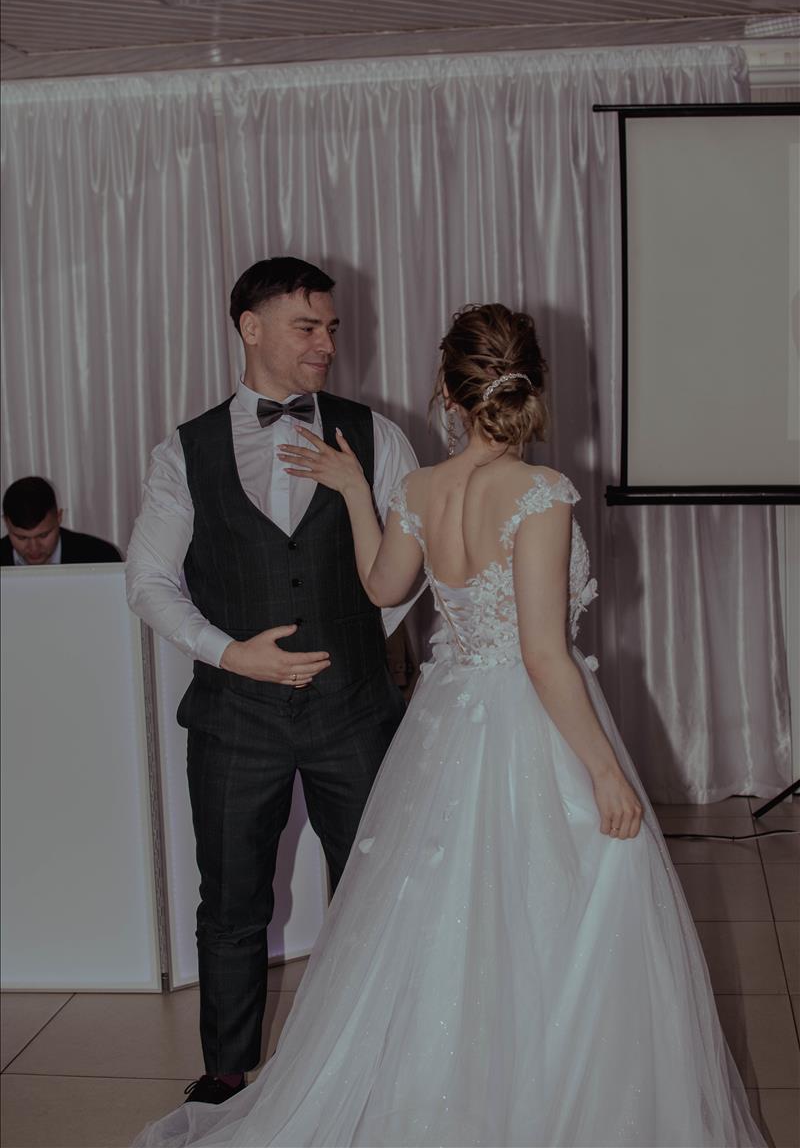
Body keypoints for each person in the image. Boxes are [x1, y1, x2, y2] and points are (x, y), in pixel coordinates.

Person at [134, 302, 764, 1148]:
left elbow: (382, 589)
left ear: (449, 390)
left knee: (442, 921)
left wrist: (356, 493)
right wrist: (608, 771)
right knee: (558, 916)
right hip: (528, 724)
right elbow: (544, 656)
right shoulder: (539, 492)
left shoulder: (420, 488)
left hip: (448, 727)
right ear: (532, 383)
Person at [126, 257, 420, 1107]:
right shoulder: (183, 451)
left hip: (355, 713)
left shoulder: (377, 435)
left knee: (375, 887)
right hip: (234, 716)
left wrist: (353, 644)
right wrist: (230, 653)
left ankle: (380, 1052)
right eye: (307, 327)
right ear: (251, 329)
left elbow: (416, 567)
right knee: (230, 899)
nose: (327, 343)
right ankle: (226, 1068)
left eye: (332, 328)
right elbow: (148, 581)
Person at [1, 476, 122, 566]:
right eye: (22, 538)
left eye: (43, 535)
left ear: (59, 517)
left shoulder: (101, 558)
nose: (34, 548)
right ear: (6, 523)